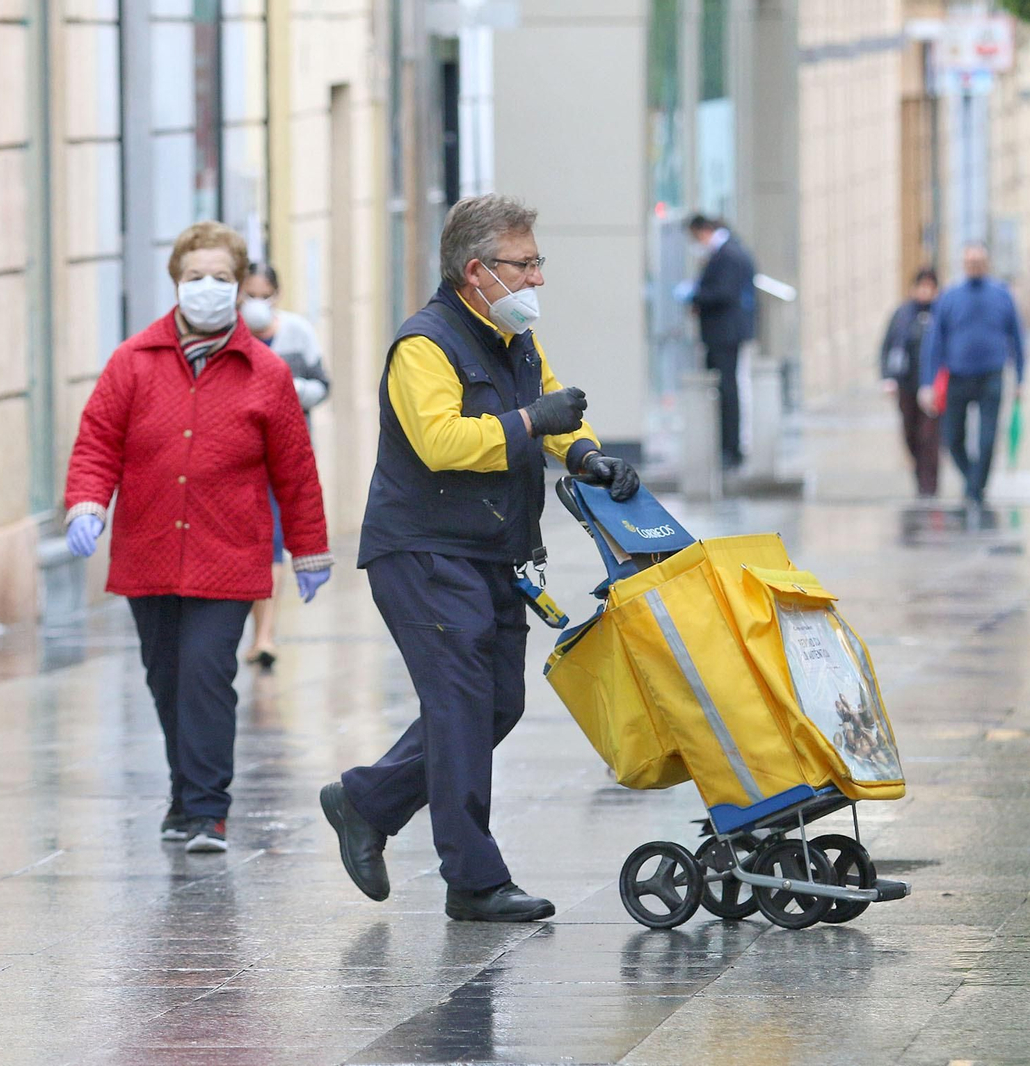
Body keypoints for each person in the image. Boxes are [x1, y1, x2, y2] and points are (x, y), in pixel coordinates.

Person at [320, 194, 640, 923]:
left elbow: (552, 404)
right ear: (476, 271)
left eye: (537, 263)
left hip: (493, 549)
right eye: (523, 265)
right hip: (425, 550)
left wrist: (587, 455)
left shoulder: (513, 336)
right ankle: (473, 879)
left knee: (497, 702)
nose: (537, 280)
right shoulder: (424, 346)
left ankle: (367, 801)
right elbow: (442, 442)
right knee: (462, 703)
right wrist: (533, 422)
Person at [65, 221, 333, 854]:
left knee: (207, 676)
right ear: (175, 283)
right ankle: (183, 797)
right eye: (194, 278)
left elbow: (294, 469)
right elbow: (98, 441)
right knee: (165, 679)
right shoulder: (132, 362)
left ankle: (209, 810)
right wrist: (85, 504)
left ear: (239, 288)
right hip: (147, 550)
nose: (206, 289)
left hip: (229, 553)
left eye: (220, 279)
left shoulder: (264, 372)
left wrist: (309, 549)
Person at [238, 263, 332, 669]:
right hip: (239, 460)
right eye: (248, 295)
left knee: (272, 542)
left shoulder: (296, 332)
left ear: (276, 294)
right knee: (251, 546)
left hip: (282, 456)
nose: (256, 303)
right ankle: (256, 633)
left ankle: (264, 635)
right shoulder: (228, 335)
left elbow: (323, 385)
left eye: (264, 295)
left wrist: (292, 391)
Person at [918, 244, 1025, 507]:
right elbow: (934, 342)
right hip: (958, 377)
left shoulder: (1002, 295)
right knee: (952, 438)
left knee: (987, 439)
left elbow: (1017, 338)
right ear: (964, 264)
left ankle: (975, 491)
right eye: (970, 261)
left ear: (987, 263)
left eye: (979, 261)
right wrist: (927, 382)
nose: (975, 265)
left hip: (992, 375)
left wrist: (1021, 377)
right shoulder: (950, 297)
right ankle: (973, 482)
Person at [680, 215, 757, 469]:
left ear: (704, 231)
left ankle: (731, 448)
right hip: (722, 333)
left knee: (728, 390)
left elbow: (724, 292)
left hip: (725, 333)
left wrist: (695, 296)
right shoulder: (727, 252)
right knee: (725, 388)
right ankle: (727, 446)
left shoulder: (728, 255)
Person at [880, 268, 941, 497]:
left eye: (929, 287)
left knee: (929, 436)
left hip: (932, 386)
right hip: (906, 383)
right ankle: (919, 473)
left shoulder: (939, 314)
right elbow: (887, 346)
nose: (925, 291)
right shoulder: (902, 314)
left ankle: (930, 484)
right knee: (910, 433)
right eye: (921, 286)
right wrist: (888, 376)